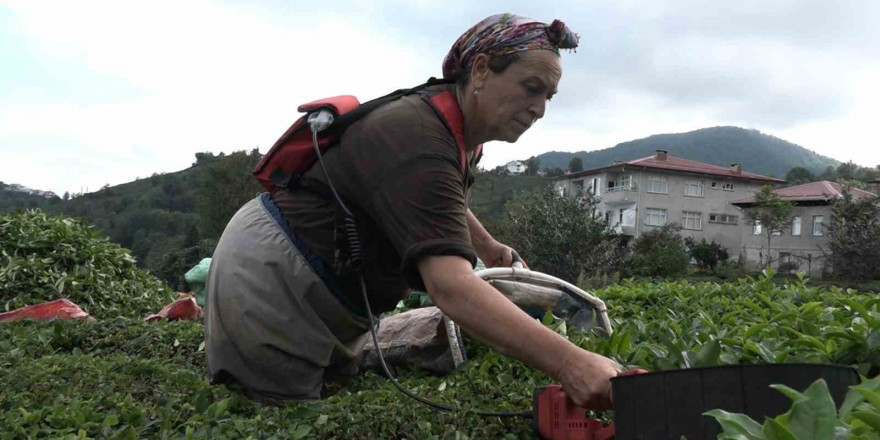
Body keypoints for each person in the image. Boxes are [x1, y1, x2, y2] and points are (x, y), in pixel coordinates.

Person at [204, 13, 621, 409]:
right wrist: (571, 363)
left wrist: (488, 246)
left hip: (330, 294)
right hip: (274, 279)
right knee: (280, 416)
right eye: (531, 88)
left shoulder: (460, 132)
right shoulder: (419, 136)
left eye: (548, 96)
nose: (540, 109)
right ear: (480, 71)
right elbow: (450, 287)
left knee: (330, 394)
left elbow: (437, 198)